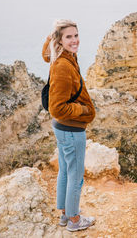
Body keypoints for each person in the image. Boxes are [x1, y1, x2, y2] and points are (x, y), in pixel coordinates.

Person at [42, 19, 96, 232]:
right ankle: (74, 220)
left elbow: (46, 54)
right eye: (68, 37)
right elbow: (57, 108)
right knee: (75, 175)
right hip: (71, 129)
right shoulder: (63, 65)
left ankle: (65, 214)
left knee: (65, 171)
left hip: (62, 129)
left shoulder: (60, 56)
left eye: (75, 35)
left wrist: (51, 36)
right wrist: (83, 111)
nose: (74, 40)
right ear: (60, 40)